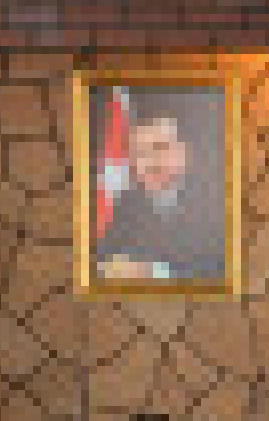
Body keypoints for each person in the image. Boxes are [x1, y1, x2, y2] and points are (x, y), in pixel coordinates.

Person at [96, 89, 227, 282]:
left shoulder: (218, 201)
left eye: (160, 148)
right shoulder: (127, 203)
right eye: (140, 153)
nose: (149, 162)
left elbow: (223, 270)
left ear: (184, 152)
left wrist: (153, 274)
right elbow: (103, 255)